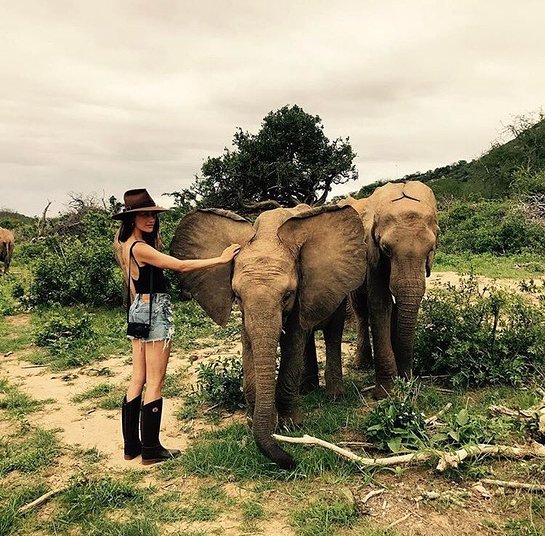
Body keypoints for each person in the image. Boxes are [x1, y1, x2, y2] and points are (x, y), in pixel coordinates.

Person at [113, 189, 240, 465]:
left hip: (138, 310)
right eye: (143, 215)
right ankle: (151, 449)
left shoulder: (124, 246)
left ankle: (131, 447)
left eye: (152, 215)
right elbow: (180, 266)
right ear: (131, 219)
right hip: (154, 311)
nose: (150, 220)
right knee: (155, 381)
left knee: (138, 378)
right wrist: (221, 259)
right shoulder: (142, 248)